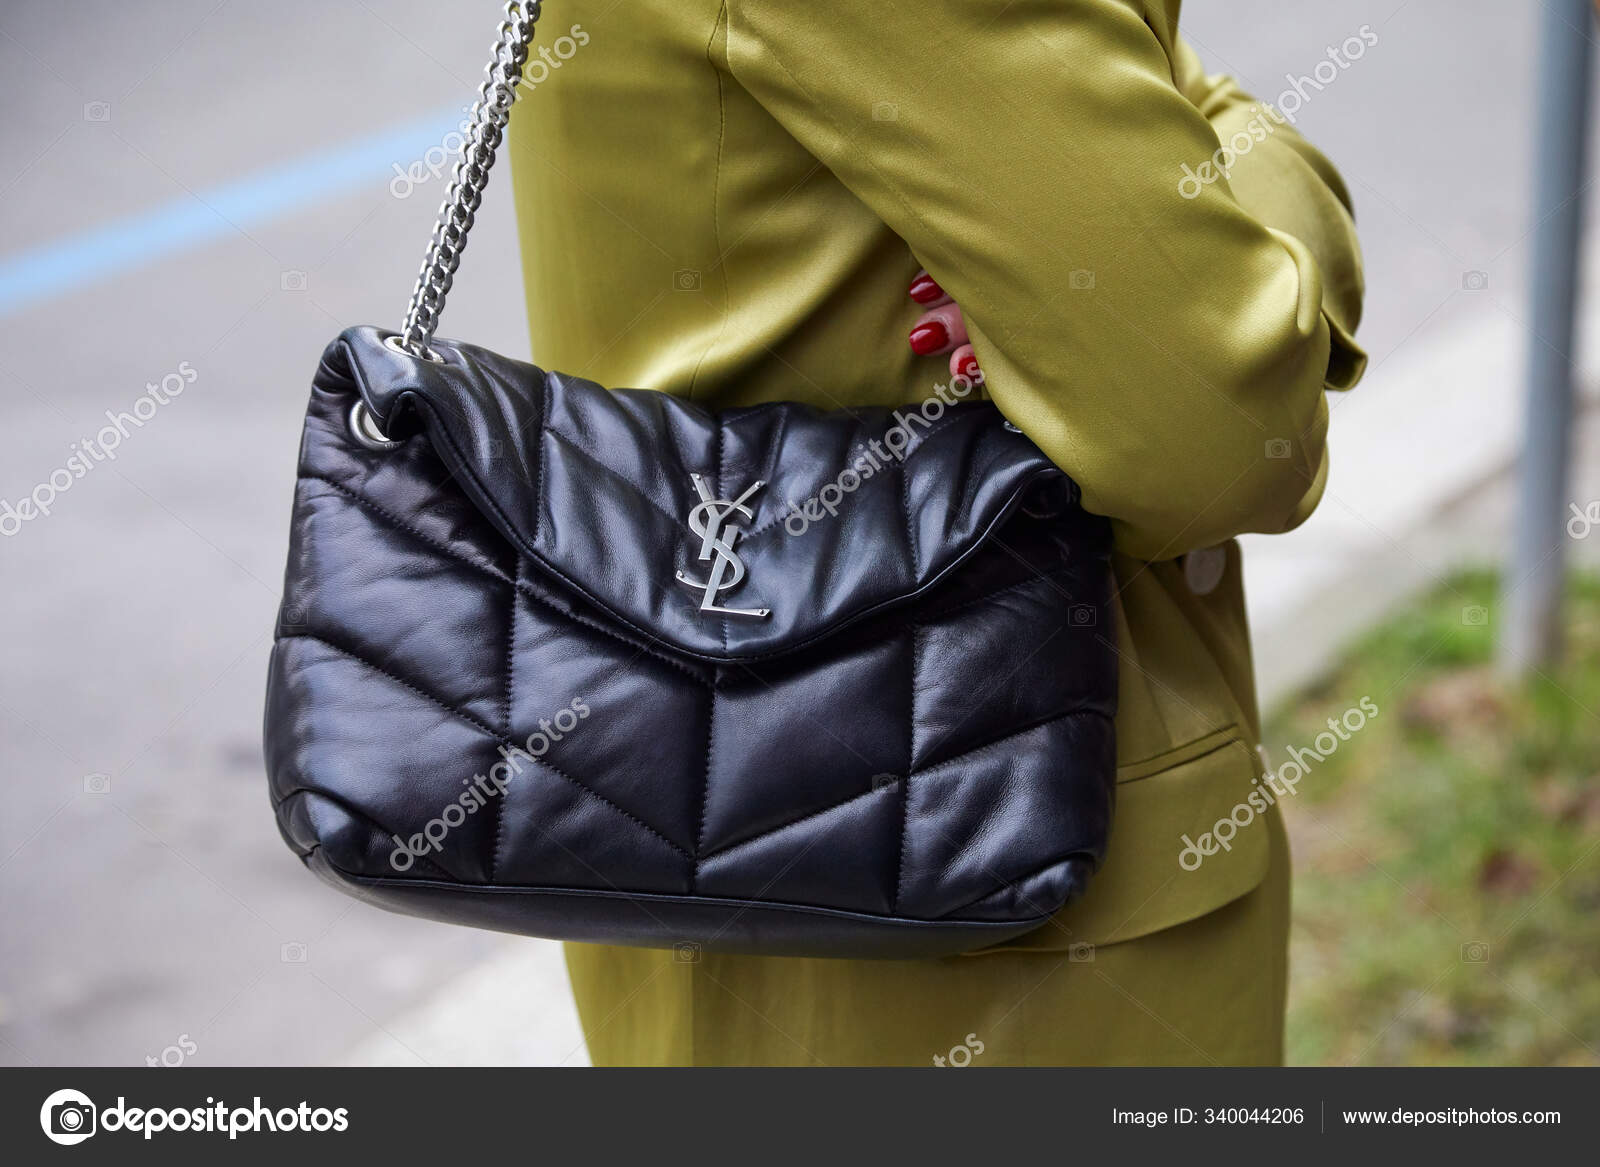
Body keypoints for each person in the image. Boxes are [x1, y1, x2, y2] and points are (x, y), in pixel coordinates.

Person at [507, 0, 1366, 1065]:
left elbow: (1178, 97)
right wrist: (1269, 250)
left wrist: (1209, 241)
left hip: (714, 820)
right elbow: (1223, 434)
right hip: (980, 911)